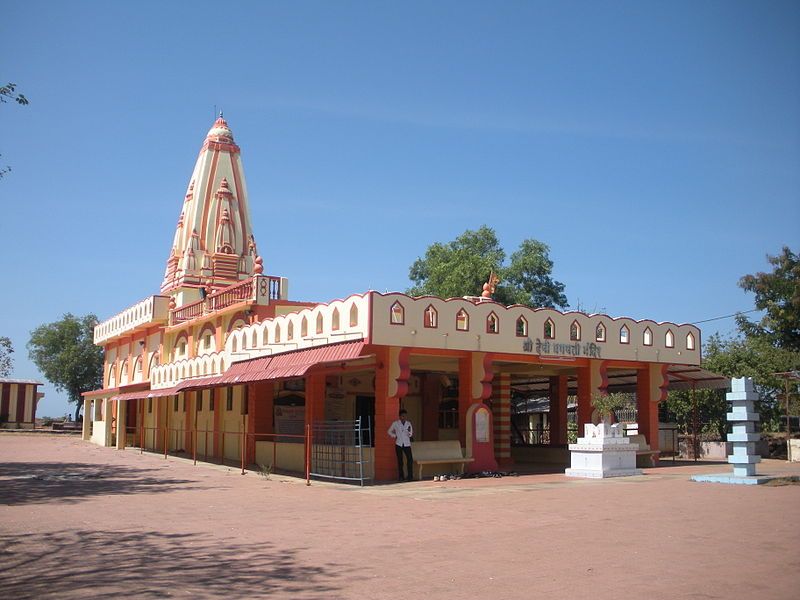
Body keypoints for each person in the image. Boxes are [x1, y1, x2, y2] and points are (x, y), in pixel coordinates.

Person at [388, 408, 414, 481]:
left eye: (405, 416)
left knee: (410, 460)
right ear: (399, 416)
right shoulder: (395, 423)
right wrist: (395, 436)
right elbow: (389, 431)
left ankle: (410, 476)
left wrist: (409, 432)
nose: (404, 417)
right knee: (400, 461)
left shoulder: (408, 423)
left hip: (407, 444)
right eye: (402, 416)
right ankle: (401, 476)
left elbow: (411, 434)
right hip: (398, 444)